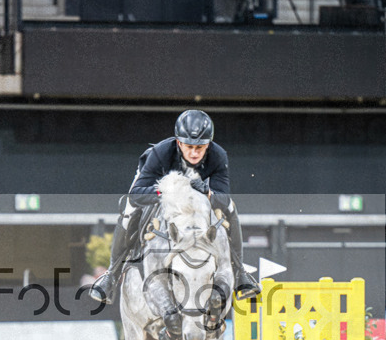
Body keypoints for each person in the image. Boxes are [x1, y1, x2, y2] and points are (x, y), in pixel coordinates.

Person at [88, 109, 261, 304]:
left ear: (208, 145)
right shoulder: (160, 153)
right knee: (129, 209)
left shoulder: (218, 155)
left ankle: (240, 274)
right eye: (189, 146)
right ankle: (112, 275)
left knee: (230, 208)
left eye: (200, 147)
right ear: (179, 143)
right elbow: (136, 195)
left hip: (196, 195)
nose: (194, 153)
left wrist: (208, 193)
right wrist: (166, 192)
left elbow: (224, 197)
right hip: (158, 185)